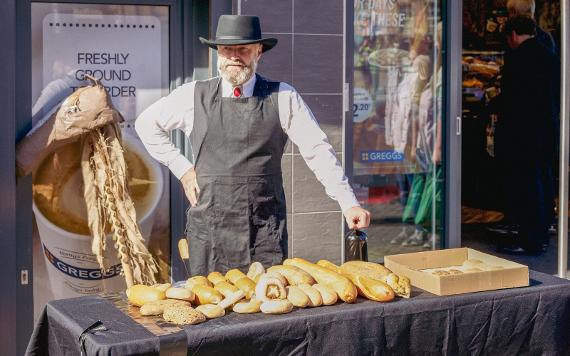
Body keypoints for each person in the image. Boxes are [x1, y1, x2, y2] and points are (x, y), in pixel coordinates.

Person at [135, 15, 370, 275]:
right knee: (212, 309)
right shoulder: (193, 94)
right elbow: (146, 124)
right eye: (227, 49)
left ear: (259, 52)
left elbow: (318, 150)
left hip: (264, 231)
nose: (234, 56)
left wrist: (348, 202)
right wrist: (182, 169)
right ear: (218, 54)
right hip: (210, 231)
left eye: (243, 49)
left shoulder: (282, 96)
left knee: (267, 306)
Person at [491, 15, 558, 255]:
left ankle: (529, 239)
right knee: (541, 181)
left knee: (527, 186)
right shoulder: (549, 54)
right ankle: (539, 233)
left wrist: (491, 106)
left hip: (522, 132)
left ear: (512, 35)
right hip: (545, 129)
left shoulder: (518, 58)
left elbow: (511, 98)